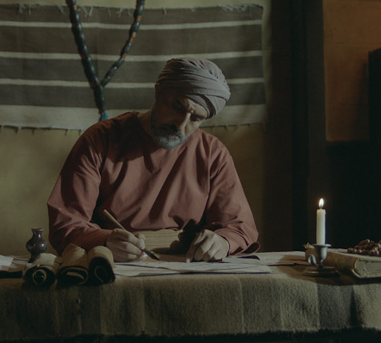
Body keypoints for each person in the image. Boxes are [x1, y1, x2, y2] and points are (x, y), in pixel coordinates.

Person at [47, 57, 259, 262]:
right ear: (158, 92)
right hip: (113, 265)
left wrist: (223, 242)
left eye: (195, 118)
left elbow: (240, 227)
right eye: (177, 107)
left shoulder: (212, 153)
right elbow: (66, 225)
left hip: (186, 267)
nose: (180, 125)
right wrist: (105, 241)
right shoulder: (100, 140)